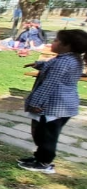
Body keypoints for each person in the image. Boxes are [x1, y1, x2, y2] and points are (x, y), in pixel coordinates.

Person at [18, 30, 87, 174]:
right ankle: (39, 157)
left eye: (56, 40)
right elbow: (51, 66)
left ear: (66, 45)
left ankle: (44, 163)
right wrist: (38, 64)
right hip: (60, 105)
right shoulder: (71, 59)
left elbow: (50, 84)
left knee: (46, 136)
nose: (52, 43)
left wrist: (35, 103)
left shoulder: (62, 62)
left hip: (54, 106)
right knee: (41, 133)